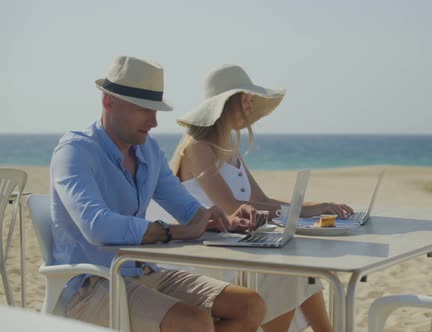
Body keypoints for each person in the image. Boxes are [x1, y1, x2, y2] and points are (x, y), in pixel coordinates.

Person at [50, 56, 266, 332]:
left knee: (251, 306)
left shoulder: (148, 151)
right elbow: (97, 226)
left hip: (144, 271)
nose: (153, 121)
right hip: (92, 284)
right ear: (108, 102)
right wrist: (172, 232)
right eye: (143, 109)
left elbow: (188, 210)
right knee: (194, 322)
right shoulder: (75, 151)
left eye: (156, 111)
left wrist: (221, 220)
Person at [151, 64, 353, 332]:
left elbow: (262, 200)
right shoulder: (198, 148)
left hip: (234, 250)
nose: (250, 104)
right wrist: (301, 212)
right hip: (204, 259)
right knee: (293, 273)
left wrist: (315, 207)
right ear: (224, 104)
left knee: (304, 269)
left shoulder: (228, 149)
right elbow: (234, 208)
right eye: (244, 98)